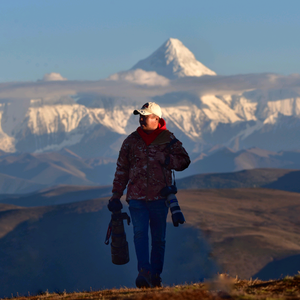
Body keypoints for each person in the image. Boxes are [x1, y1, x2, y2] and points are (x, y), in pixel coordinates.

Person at [108, 102, 190, 288]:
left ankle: (155, 276)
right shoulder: (130, 141)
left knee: (158, 239)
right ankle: (144, 272)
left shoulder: (168, 139)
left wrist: (167, 160)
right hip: (136, 198)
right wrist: (115, 194)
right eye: (140, 116)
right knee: (140, 234)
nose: (141, 119)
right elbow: (122, 169)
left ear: (156, 119)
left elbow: (184, 161)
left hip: (160, 198)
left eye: (145, 116)